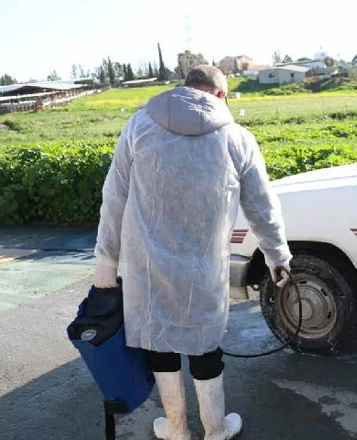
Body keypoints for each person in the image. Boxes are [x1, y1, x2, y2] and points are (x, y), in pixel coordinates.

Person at [92, 65, 292, 440]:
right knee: (204, 344)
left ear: (186, 89)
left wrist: (106, 263)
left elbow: (114, 198)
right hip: (205, 267)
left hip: (147, 265)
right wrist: (276, 256)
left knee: (161, 342)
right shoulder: (237, 138)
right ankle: (215, 429)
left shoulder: (139, 126)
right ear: (219, 95)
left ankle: (177, 429)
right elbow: (262, 207)